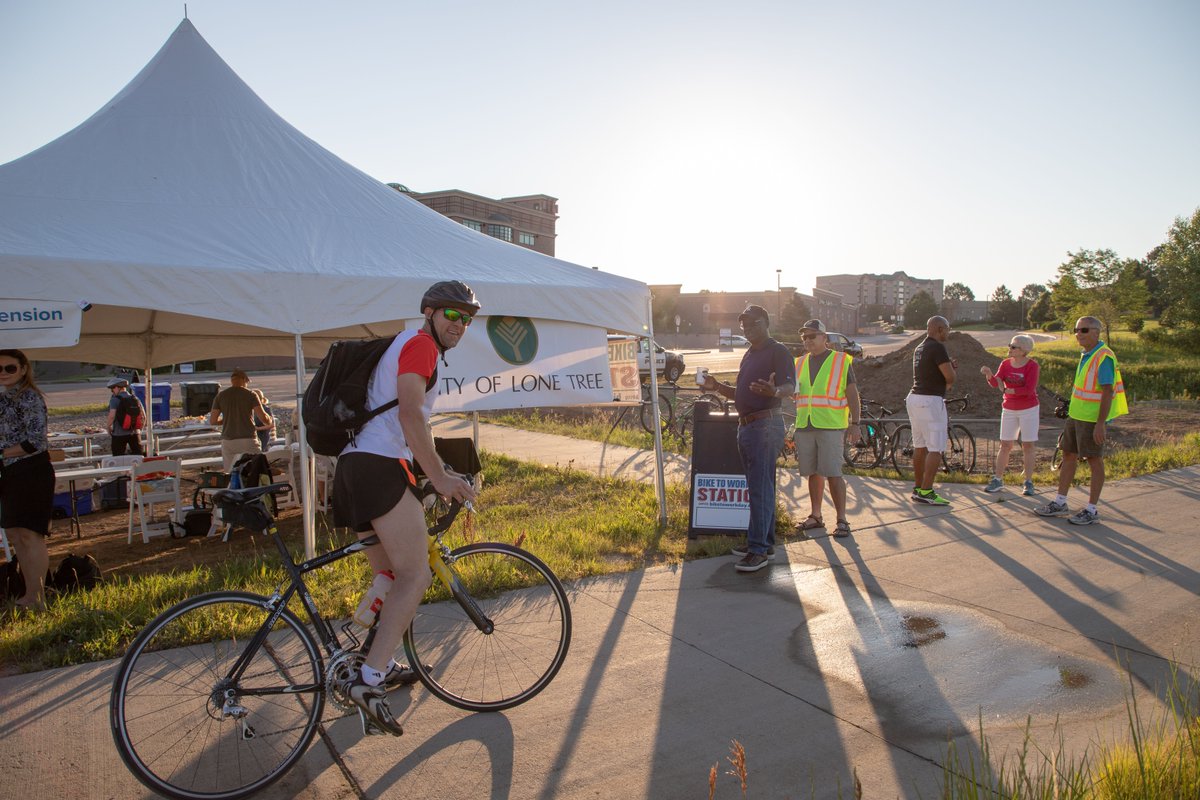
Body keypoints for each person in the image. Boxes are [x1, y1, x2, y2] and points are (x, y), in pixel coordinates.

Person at [334, 280, 479, 734]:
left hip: (353, 468)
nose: (461, 324)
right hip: (378, 468)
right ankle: (369, 679)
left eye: (468, 318)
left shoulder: (402, 343)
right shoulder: (421, 346)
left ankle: (380, 660)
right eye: (453, 315)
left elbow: (401, 418)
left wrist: (427, 472)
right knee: (415, 573)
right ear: (430, 313)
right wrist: (439, 477)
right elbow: (411, 414)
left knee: (391, 574)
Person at [699, 305, 795, 573]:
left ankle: (758, 551)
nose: (747, 329)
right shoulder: (750, 354)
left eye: (752, 324)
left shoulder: (778, 351)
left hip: (765, 425)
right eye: (744, 325)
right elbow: (741, 395)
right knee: (761, 486)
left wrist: (775, 390)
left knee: (760, 488)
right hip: (750, 426)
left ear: (765, 322)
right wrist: (717, 386)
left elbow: (790, 386)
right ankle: (765, 543)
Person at [1035, 316, 1127, 525]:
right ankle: (1060, 502)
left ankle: (1092, 509)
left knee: (1094, 460)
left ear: (1096, 332)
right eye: (1076, 330)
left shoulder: (1103, 356)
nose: (1078, 334)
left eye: (1084, 330)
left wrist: (1101, 423)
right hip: (1076, 416)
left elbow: (1107, 391)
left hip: (1091, 419)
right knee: (1068, 455)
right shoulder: (1087, 354)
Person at [791, 320, 861, 538]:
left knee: (833, 473)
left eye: (812, 336)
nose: (808, 340)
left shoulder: (840, 361)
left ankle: (842, 520)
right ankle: (816, 515)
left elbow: (852, 393)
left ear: (825, 338)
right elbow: (795, 392)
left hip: (830, 425)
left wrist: (856, 423)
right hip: (806, 424)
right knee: (813, 473)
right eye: (804, 337)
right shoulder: (799, 363)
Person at [0, 349, 55, 611]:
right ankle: (28, 593)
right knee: (15, 533)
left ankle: (37, 596)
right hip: (11, 472)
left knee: (30, 534)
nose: (3, 373)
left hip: (31, 470)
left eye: (9, 368)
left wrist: (1, 453)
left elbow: (35, 442)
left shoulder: (29, 397)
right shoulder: (4, 398)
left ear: (23, 369)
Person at [905, 316, 957, 506]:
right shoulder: (938, 347)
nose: (949, 332)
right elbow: (950, 377)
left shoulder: (920, 348)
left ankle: (918, 488)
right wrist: (951, 371)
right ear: (940, 329)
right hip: (930, 401)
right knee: (936, 448)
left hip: (914, 398)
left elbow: (930, 372)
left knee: (920, 446)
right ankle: (927, 491)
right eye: (948, 328)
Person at [980, 334, 1040, 496]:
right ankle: (998, 479)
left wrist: (1008, 390)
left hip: (1029, 409)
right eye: (1010, 345)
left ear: (1024, 350)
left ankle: (1028, 482)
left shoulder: (1032, 366)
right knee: (1005, 445)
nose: (1010, 349)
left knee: (1028, 445)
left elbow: (1028, 389)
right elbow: (996, 383)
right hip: (1009, 408)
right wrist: (989, 375)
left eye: (1013, 347)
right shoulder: (1005, 364)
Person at [209, 369, 272, 471]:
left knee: (230, 473)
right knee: (256, 470)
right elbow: (263, 418)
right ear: (244, 380)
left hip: (228, 441)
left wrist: (227, 419)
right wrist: (269, 420)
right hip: (248, 439)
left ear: (232, 381)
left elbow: (213, 421)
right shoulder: (251, 394)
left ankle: (234, 487)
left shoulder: (220, 396)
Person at [106, 377, 145, 456]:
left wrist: (108, 427)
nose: (112, 391)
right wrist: (140, 429)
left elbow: (112, 416)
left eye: (112, 389)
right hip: (134, 433)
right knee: (138, 457)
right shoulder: (135, 398)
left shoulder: (115, 399)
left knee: (118, 457)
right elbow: (143, 416)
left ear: (117, 387)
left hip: (119, 434)